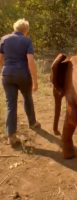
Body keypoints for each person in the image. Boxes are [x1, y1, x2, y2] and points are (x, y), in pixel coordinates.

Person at [0, 18, 40, 146]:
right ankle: (32, 123)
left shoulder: (4, 39)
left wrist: (5, 71)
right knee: (27, 97)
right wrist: (35, 81)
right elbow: (30, 62)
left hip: (7, 74)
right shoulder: (26, 40)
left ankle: (11, 135)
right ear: (25, 30)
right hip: (23, 74)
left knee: (10, 104)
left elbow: (0, 59)